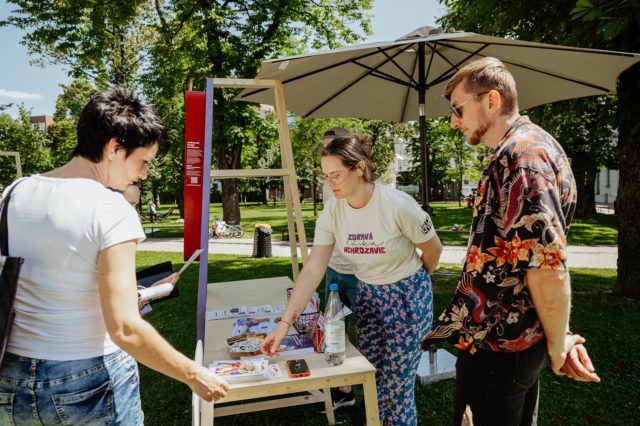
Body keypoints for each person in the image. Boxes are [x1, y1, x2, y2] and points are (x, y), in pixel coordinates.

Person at [0, 87, 228, 425]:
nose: (143, 174)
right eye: (143, 162)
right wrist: (194, 374)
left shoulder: (13, 192)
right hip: (87, 379)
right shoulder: (111, 209)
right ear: (114, 147)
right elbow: (124, 327)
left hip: (11, 378)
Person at [420, 57, 600, 426]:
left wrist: (557, 346)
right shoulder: (525, 149)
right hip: (506, 341)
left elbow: (547, 268)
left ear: (492, 100)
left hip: (500, 347)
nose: (454, 121)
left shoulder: (522, 159)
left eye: (458, 109)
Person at [262, 134, 443, 425]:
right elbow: (311, 270)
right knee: (372, 374)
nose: (329, 183)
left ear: (359, 168)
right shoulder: (333, 211)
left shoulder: (397, 204)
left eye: (336, 175)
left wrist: (416, 283)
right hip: (368, 295)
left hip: (408, 296)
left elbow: (434, 249)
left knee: (398, 385)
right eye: (325, 175)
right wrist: (283, 324)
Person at [321, 126, 359, 410]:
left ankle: (372, 389)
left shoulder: (365, 189)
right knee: (335, 328)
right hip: (333, 268)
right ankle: (344, 389)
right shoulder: (327, 186)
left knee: (367, 331)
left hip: (359, 272)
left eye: (332, 147)